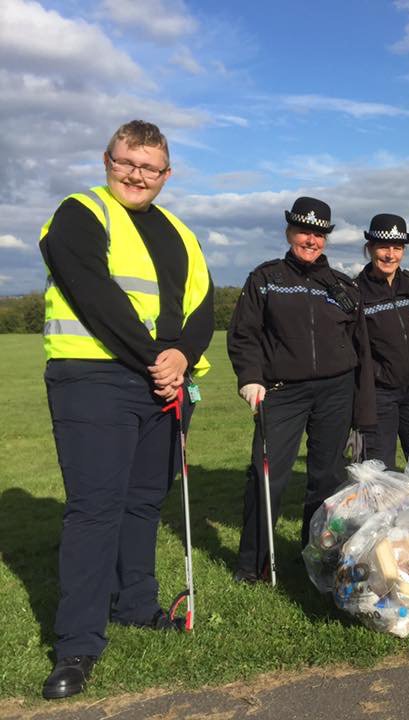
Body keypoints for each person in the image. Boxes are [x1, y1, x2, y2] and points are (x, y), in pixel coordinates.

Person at [38, 120, 214, 699]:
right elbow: (93, 295)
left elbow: (204, 307)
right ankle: (78, 644)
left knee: (143, 502)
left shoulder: (180, 233)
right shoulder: (80, 212)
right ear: (107, 159)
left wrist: (182, 356)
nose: (138, 175)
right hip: (94, 379)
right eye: (127, 162)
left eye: (151, 167)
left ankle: (135, 605)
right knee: (95, 509)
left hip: (162, 385)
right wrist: (156, 358)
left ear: (167, 174)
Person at [227, 197, 375, 583]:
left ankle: (317, 557)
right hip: (281, 391)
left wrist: (363, 405)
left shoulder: (342, 286)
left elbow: (361, 348)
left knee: (326, 478)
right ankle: (254, 563)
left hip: (336, 391)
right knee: (267, 475)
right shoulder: (266, 278)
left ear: (326, 238)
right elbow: (244, 334)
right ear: (289, 231)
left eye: (318, 233)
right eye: (304, 231)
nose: (311, 240)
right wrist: (249, 377)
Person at [355, 213, 409, 468]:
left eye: (397, 248)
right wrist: (376, 373)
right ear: (370, 247)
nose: (390, 255)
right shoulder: (356, 292)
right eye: (383, 247)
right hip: (378, 393)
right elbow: (350, 347)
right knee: (379, 469)